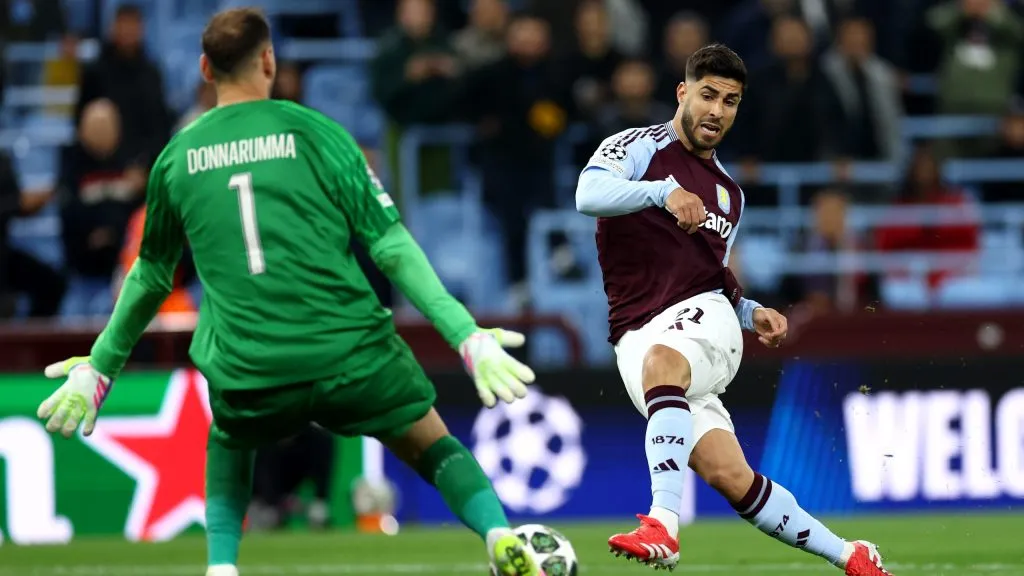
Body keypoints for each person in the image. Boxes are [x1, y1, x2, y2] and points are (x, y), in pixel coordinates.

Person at [34, 8, 543, 576]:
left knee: (229, 436)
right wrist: (464, 334)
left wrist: (101, 367)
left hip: (252, 367)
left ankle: (221, 566)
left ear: (205, 69)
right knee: (430, 441)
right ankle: (499, 533)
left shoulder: (176, 159)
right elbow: (390, 244)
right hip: (349, 354)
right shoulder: (316, 132)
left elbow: (151, 275)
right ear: (269, 61)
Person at [574, 43, 893, 576]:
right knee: (731, 477)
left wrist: (747, 312)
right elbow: (587, 194)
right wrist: (660, 193)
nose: (717, 111)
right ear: (682, 93)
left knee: (663, 361)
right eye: (708, 95)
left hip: (695, 323)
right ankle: (851, 554)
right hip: (634, 335)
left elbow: (710, 278)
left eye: (730, 101)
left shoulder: (728, 194)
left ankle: (662, 525)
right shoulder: (637, 148)